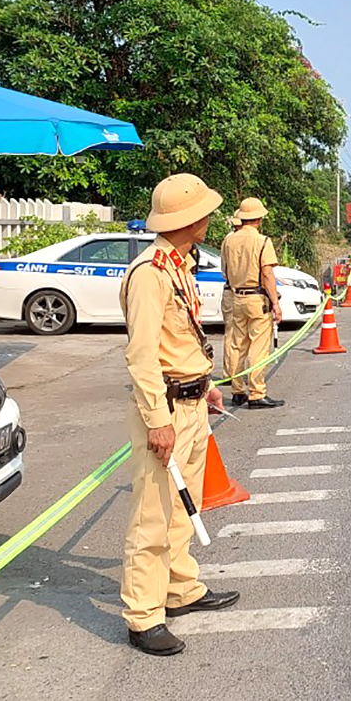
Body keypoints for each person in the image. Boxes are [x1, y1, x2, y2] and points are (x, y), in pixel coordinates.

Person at [119, 173, 240, 657]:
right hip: (165, 407)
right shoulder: (150, 274)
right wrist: (157, 420)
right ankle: (144, 616)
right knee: (152, 516)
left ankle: (180, 588)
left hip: (190, 402)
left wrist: (205, 386)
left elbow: (181, 339)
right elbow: (142, 355)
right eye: (205, 211)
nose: (210, 217)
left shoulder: (179, 265)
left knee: (183, 508)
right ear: (191, 219)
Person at [221, 197, 284, 409]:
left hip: (236, 297)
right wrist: (275, 303)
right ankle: (257, 393)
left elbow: (224, 271)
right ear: (259, 218)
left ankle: (237, 390)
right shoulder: (262, 241)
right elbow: (267, 274)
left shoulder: (228, 241)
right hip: (257, 299)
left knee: (237, 345)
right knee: (258, 346)